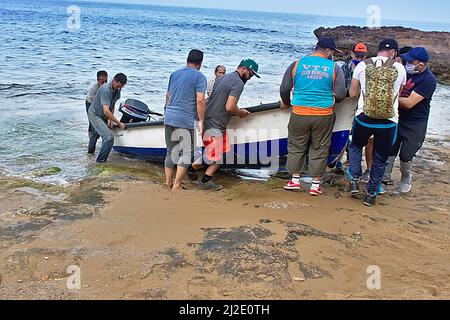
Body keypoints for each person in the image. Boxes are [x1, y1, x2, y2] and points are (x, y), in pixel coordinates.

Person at [280, 37, 346, 196]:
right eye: (333, 52)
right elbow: (341, 94)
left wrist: (288, 102)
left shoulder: (297, 64)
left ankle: (294, 180)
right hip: (323, 114)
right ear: (329, 51)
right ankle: (315, 184)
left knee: (296, 146)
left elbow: (284, 88)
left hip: (299, 112)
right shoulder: (334, 67)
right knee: (320, 147)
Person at [348, 39, 407, 206]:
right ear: (394, 53)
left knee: (355, 146)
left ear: (378, 50)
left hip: (364, 118)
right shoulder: (400, 68)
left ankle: (354, 179)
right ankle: (371, 194)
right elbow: (399, 93)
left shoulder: (362, 65)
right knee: (381, 158)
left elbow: (352, 93)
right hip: (388, 121)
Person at [190, 59, 258, 190]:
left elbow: (218, 99)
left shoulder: (222, 78)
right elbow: (230, 107)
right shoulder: (238, 83)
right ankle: (192, 169)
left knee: (222, 154)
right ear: (244, 69)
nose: (250, 77)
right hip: (215, 124)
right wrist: (240, 112)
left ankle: (204, 180)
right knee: (214, 156)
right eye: (251, 74)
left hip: (211, 120)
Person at [382, 47, 437, 193]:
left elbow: (409, 103)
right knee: (390, 149)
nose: (407, 63)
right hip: (398, 118)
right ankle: (384, 179)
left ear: (421, 64)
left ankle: (406, 178)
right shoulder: (405, 72)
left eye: (411, 61)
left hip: (416, 122)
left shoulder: (428, 80)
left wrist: (387, 96)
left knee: (406, 154)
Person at [164, 49, 207, 192]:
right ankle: (177, 185)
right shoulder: (199, 77)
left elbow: (168, 96)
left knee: (171, 151)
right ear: (200, 63)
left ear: (187, 59)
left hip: (169, 117)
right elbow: (200, 99)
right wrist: (201, 120)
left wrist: (166, 112)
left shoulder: (174, 74)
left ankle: (168, 183)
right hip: (185, 119)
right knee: (187, 153)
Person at [335, 43, 373, 177]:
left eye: (362, 56)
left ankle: (357, 165)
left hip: (362, 109)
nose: (360, 58)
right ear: (352, 54)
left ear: (366, 56)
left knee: (361, 139)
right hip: (345, 106)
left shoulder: (369, 69)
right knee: (342, 134)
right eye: (357, 55)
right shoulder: (343, 68)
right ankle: (338, 161)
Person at [87, 73, 127, 163]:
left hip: (104, 115)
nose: (119, 88)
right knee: (107, 137)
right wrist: (119, 123)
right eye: (118, 86)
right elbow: (106, 110)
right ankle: (99, 161)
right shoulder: (106, 90)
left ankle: (92, 157)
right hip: (95, 115)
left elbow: (112, 105)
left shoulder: (117, 89)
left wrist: (111, 121)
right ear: (114, 81)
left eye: (121, 87)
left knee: (99, 135)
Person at [85, 70, 108, 154]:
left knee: (104, 123)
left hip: (101, 104)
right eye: (102, 81)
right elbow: (94, 104)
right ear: (98, 80)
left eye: (106, 81)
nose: (104, 83)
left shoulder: (107, 87)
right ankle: (90, 152)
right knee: (93, 126)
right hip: (90, 103)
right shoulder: (93, 89)